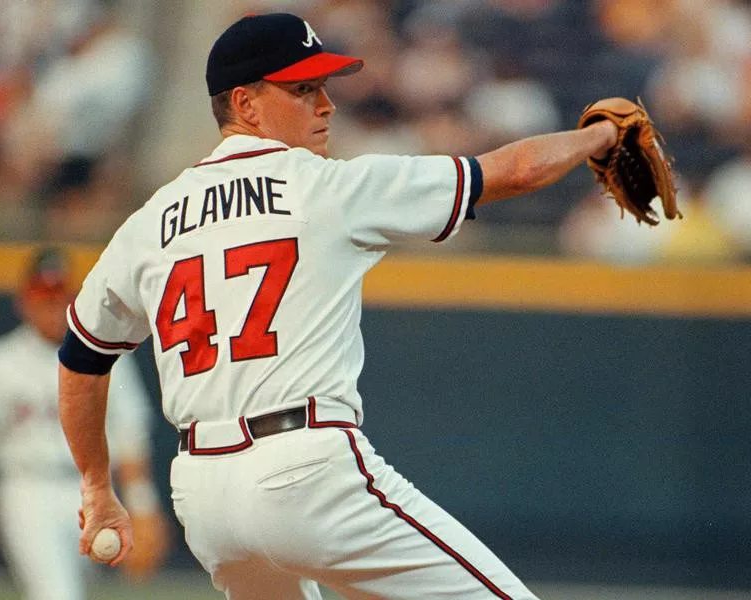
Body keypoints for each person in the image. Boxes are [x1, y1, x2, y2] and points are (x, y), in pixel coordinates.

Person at [57, 12, 618, 600]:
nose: (326, 105)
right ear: (245, 104)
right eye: (303, 90)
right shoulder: (326, 186)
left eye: (324, 87)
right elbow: (516, 170)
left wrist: (97, 485)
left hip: (204, 495)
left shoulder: (151, 221)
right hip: (308, 474)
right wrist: (601, 136)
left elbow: (81, 357)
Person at [0, 247, 170, 600]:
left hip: (89, 494)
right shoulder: (1, 361)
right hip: (26, 490)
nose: (52, 307)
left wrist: (143, 506)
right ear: (25, 302)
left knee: (71, 591)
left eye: (58, 297)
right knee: (56, 593)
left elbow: (130, 438)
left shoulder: (105, 357)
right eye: (43, 298)